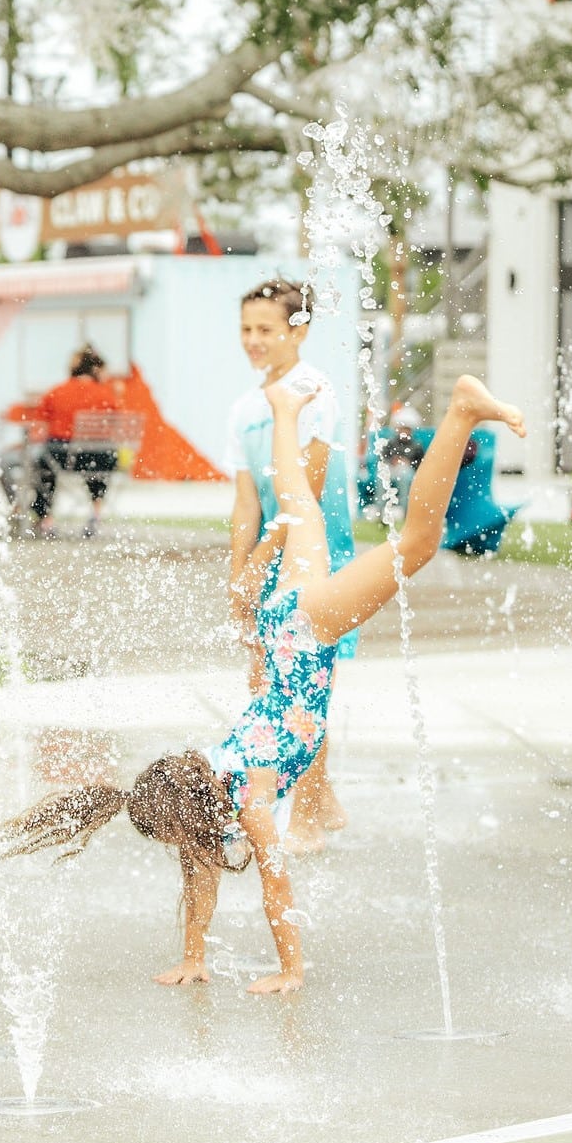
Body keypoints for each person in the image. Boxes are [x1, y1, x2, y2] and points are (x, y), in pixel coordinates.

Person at [0, 375, 525, 994]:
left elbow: (276, 880)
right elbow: (199, 879)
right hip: (282, 622)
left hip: (306, 629)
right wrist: (195, 958)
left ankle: (461, 407)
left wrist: (291, 970)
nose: (184, 852)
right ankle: (285, 411)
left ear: (189, 814)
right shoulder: (207, 781)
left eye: (177, 839)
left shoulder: (245, 795)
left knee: (418, 542)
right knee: (297, 501)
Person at [228, 280, 355, 853]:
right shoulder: (244, 406)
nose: (253, 340)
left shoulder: (313, 392)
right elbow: (247, 500)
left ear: (297, 331)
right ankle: (317, 796)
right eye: (246, 329)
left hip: (313, 557)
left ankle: (306, 817)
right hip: (264, 560)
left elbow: (310, 484)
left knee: (306, 684)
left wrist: (262, 561)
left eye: (266, 329)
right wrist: (240, 573)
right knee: (269, 683)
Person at [29, 344, 120, 539]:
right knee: (100, 456)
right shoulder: (106, 394)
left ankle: (46, 518)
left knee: (44, 465)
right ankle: (96, 511)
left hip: (64, 457)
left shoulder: (57, 392)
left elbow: (38, 423)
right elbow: (116, 425)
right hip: (98, 459)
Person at [381, 405, 427, 518]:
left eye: (407, 429)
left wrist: (408, 463)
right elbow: (384, 457)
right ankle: (381, 510)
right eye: (402, 429)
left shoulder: (416, 445)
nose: (404, 432)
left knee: (404, 477)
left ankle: (405, 511)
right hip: (392, 469)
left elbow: (421, 463)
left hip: (407, 472)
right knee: (382, 477)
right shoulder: (391, 442)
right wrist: (393, 460)